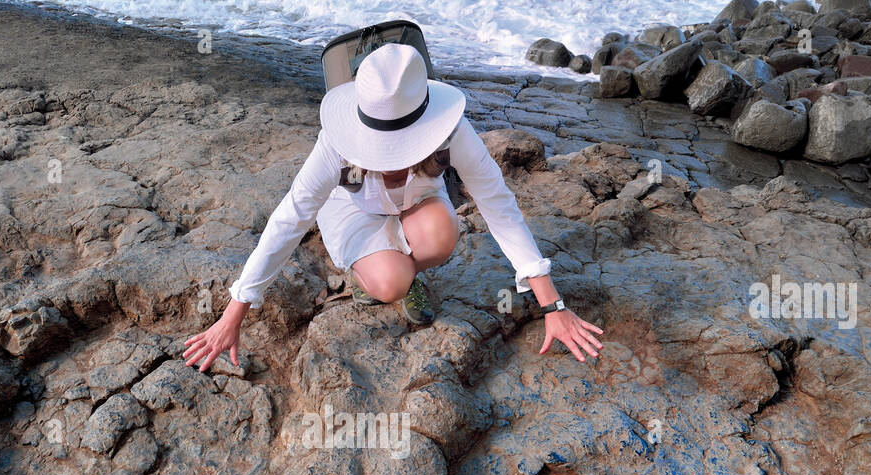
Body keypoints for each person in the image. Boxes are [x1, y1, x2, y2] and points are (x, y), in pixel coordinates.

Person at [183, 42, 604, 372]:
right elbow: (290, 217)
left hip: (419, 202)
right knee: (389, 284)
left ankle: (403, 264)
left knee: (442, 235)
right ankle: (377, 270)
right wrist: (234, 314)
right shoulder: (336, 143)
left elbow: (498, 205)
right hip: (353, 209)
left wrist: (554, 307)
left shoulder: (453, 132)